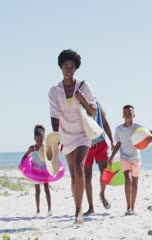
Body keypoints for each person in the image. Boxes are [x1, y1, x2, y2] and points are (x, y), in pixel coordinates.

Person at [48, 49, 97, 224]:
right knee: (74, 174)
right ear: (60, 67)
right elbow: (54, 115)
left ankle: (79, 212)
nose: (68, 69)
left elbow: (93, 111)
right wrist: (55, 136)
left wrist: (82, 99)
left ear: (76, 68)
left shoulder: (84, 86)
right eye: (65, 66)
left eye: (72, 66)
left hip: (83, 134)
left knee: (79, 166)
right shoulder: (54, 91)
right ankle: (77, 206)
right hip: (65, 135)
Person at [108, 105, 152, 216]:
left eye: (130, 112)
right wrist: (111, 158)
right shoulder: (118, 129)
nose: (127, 114)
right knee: (127, 179)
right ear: (122, 116)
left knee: (135, 182)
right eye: (125, 113)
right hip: (124, 158)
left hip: (136, 158)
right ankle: (128, 208)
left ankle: (133, 208)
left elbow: (150, 136)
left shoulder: (139, 128)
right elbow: (118, 144)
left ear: (134, 114)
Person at [83, 100, 115, 216]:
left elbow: (105, 123)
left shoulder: (96, 103)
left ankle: (102, 194)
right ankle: (91, 207)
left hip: (101, 142)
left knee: (105, 173)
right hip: (86, 145)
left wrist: (111, 140)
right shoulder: (77, 105)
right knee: (87, 176)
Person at [20, 125, 52, 216]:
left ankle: (50, 209)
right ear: (34, 139)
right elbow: (25, 156)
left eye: (41, 140)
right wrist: (21, 164)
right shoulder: (32, 148)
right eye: (37, 140)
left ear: (44, 138)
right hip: (35, 171)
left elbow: (51, 158)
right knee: (37, 191)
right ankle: (38, 210)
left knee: (46, 189)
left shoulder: (46, 148)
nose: (39, 142)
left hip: (44, 170)